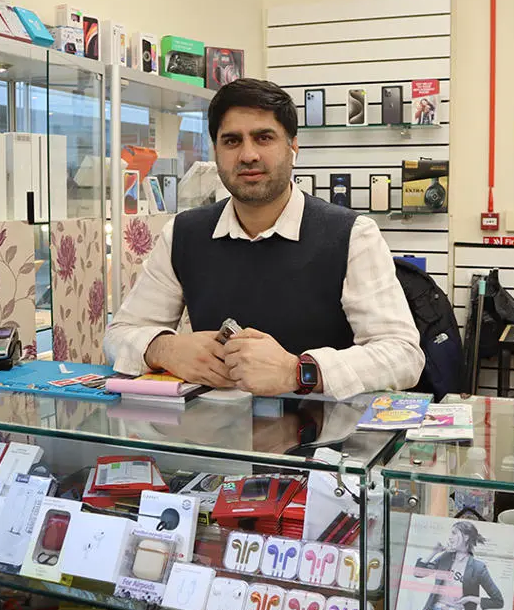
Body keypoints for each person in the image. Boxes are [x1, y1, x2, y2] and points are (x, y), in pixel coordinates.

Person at [104, 78, 424, 399]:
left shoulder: (353, 235)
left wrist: (298, 371)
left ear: (293, 147)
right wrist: (164, 348)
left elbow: (403, 354)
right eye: (232, 141)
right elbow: (119, 335)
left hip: (322, 426)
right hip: (213, 425)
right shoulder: (183, 233)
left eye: (264, 138)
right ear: (215, 151)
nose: (248, 155)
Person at [413, 521, 504, 610]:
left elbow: (498, 601)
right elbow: (418, 573)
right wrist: (434, 552)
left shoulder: (478, 567)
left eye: (454, 533)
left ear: (466, 537)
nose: (450, 537)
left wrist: (470, 598)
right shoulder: (446, 557)